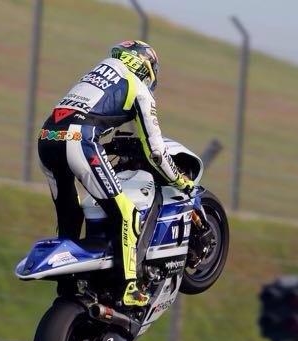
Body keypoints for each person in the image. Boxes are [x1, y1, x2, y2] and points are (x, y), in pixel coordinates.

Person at [37, 40, 194, 307]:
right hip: (78, 140)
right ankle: (129, 288)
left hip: (46, 138)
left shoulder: (95, 74)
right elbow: (156, 151)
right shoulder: (138, 87)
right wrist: (178, 179)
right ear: (146, 67)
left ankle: (67, 286)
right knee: (126, 213)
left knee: (70, 213)